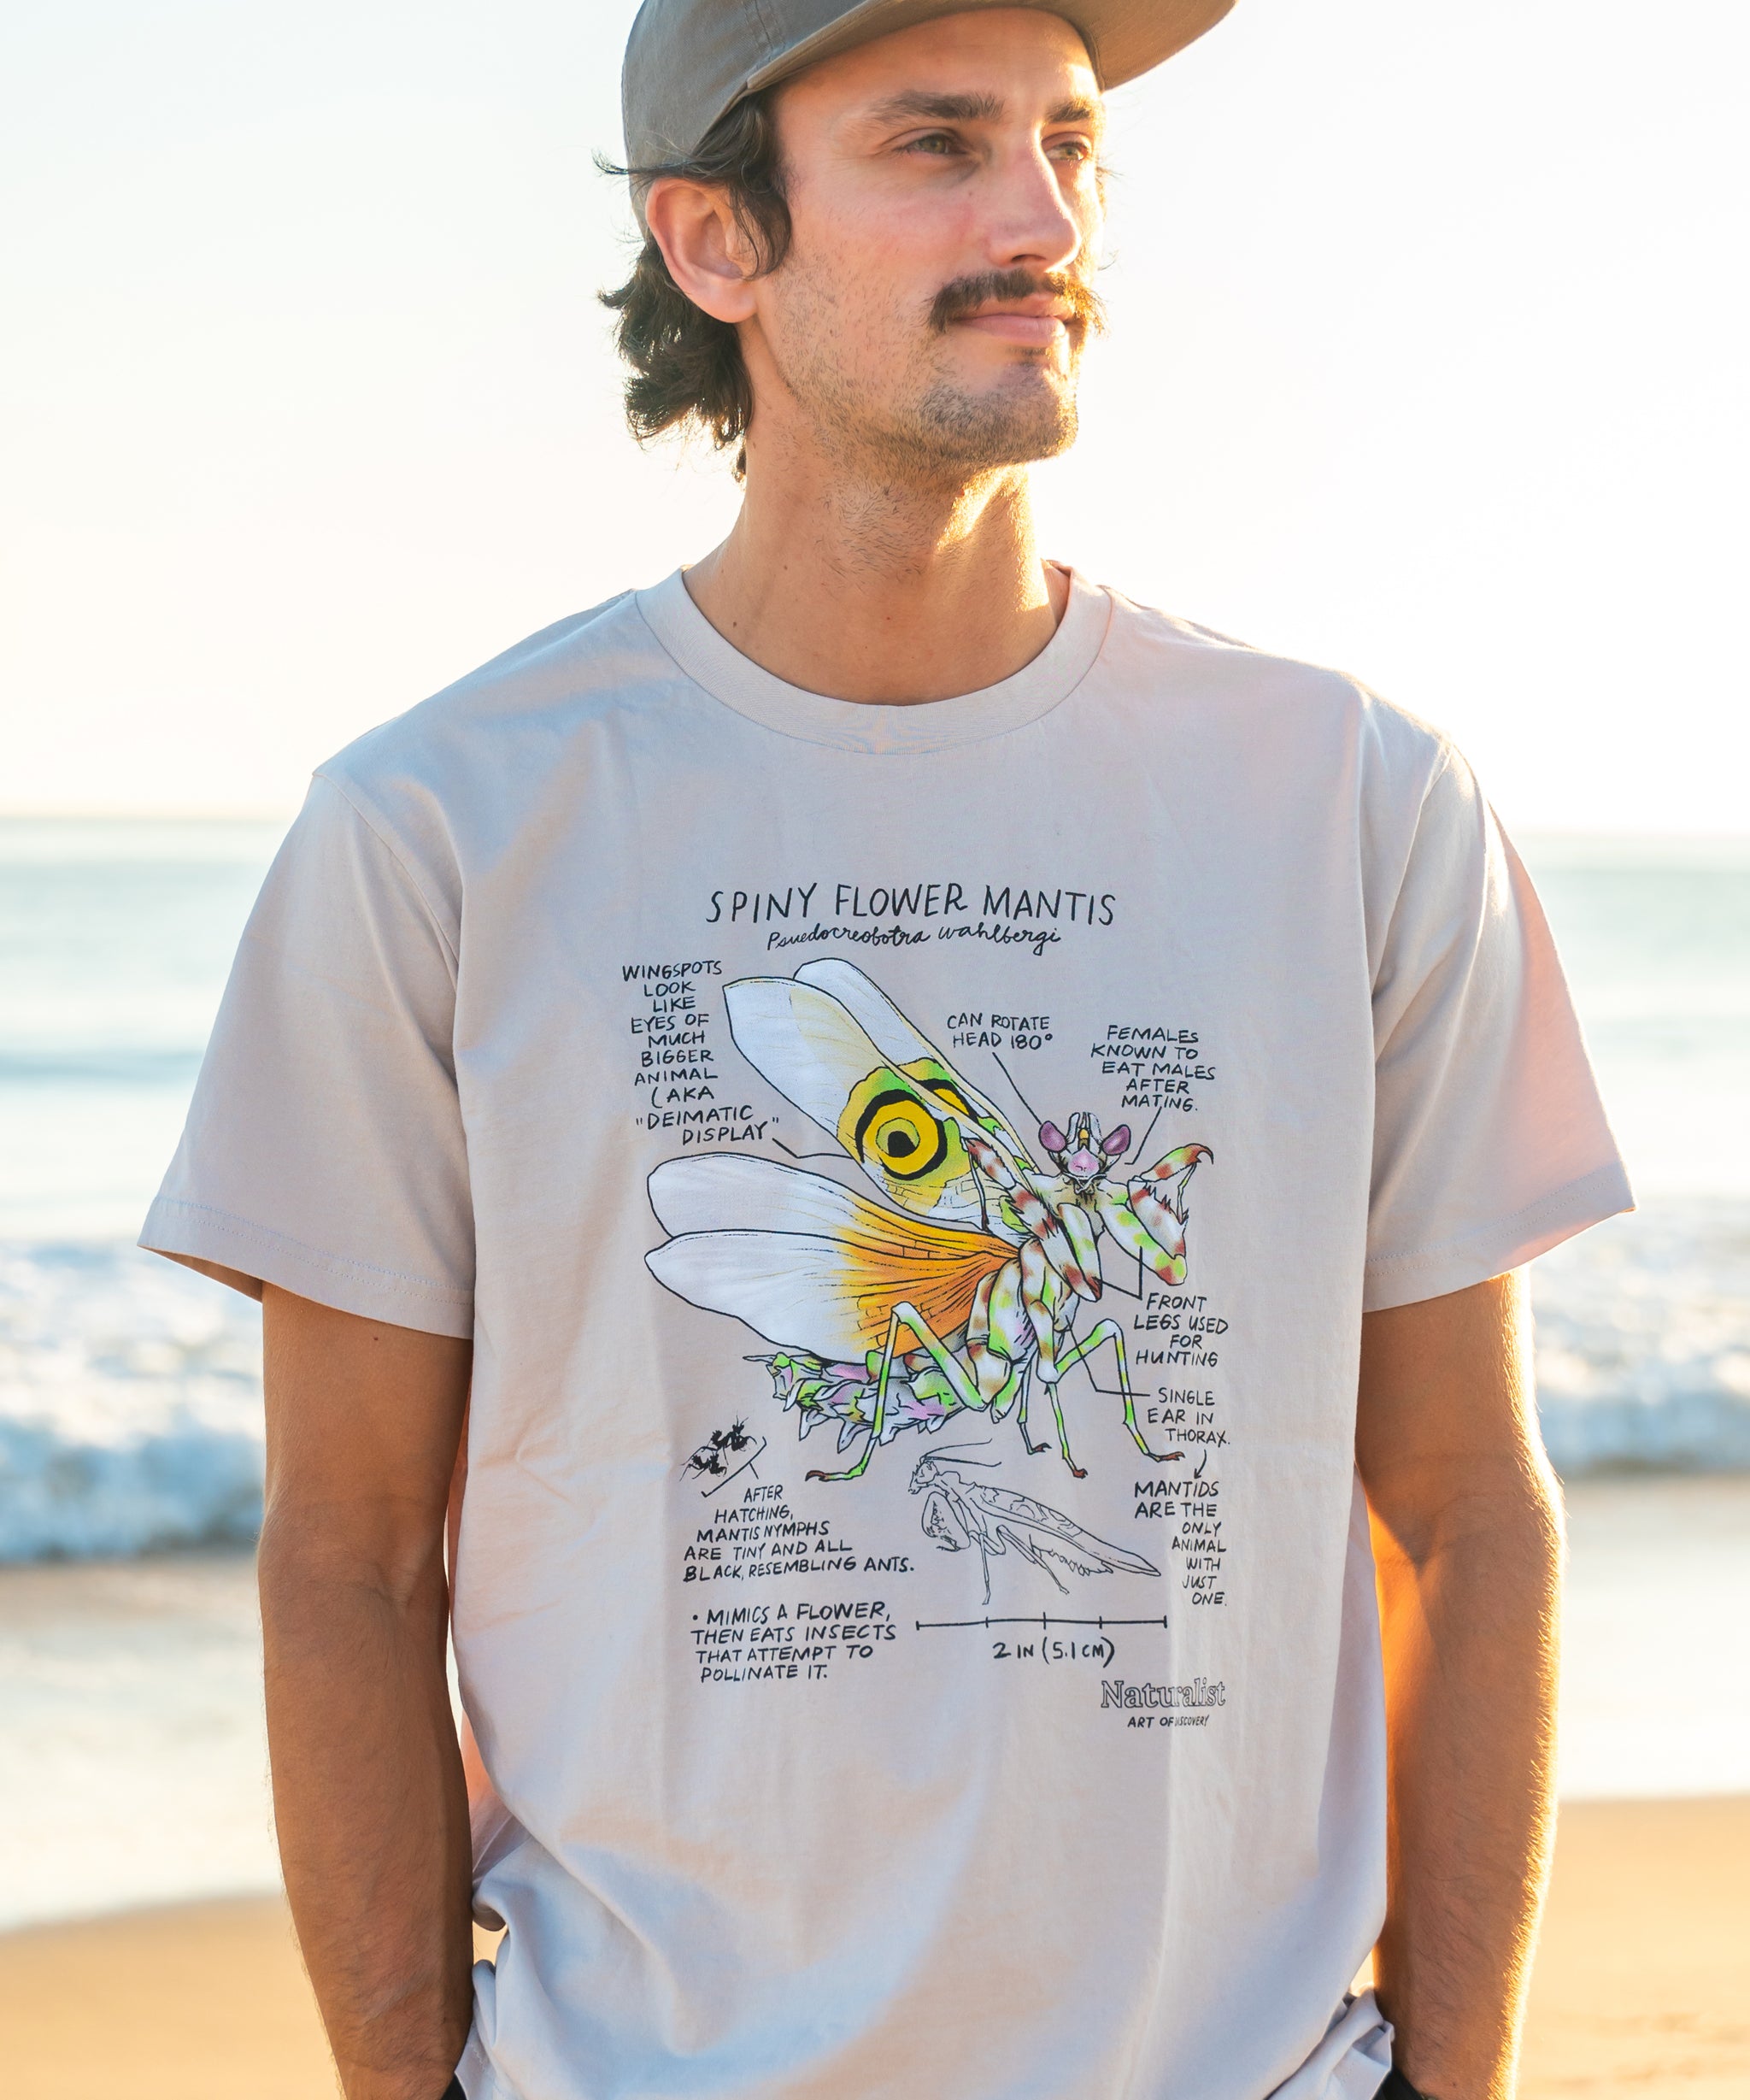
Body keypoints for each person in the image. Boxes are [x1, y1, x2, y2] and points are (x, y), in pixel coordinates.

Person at [143, 0, 1631, 2094]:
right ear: (713, 242)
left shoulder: (1351, 798)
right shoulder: (445, 829)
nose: (1042, 216)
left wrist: (1450, 2077)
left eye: (1071, 142)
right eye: (938, 142)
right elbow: (347, 1553)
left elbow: (1469, 1504)